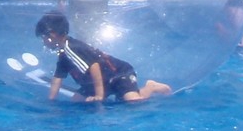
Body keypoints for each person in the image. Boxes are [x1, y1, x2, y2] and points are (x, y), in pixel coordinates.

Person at [36, 13, 170, 104]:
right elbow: (57, 78)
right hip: (99, 80)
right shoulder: (63, 53)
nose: (43, 42)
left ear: (53, 35)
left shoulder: (71, 49)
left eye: (44, 37)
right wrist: (51, 100)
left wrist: (99, 96)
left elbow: (94, 66)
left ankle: (150, 87)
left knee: (133, 101)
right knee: (76, 101)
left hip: (118, 74)